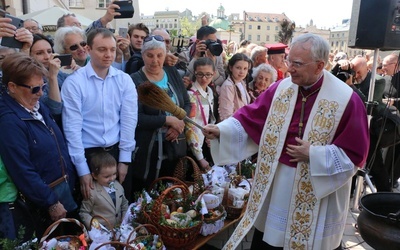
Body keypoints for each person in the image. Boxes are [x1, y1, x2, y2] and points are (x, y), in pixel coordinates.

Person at [202, 33, 369, 249]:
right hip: (278, 181)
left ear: (319, 66)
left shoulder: (347, 99)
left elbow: (356, 155)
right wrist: (221, 130)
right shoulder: (282, 88)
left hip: (316, 188)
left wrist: (314, 154)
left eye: (298, 64)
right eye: (290, 61)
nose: (289, 69)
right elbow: (252, 117)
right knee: (271, 240)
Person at [0, 53, 77, 240]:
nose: (41, 93)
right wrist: (50, 202)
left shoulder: (34, 104)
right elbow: (22, 169)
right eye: (35, 89)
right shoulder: (9, 121)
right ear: (12, 87)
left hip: (62, 191)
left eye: (42, 87)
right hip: (43, 204)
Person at [61, 28, 138, 201]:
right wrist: (82, 170)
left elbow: (128, 120)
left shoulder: (124, 80)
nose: (108, 54)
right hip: (89, 155)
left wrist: (124, 159)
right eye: (102, 49)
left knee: (122, 209)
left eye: (112, 49)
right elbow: (72, 128)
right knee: (93, 214)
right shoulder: (74, 83)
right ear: (88, 49)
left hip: (117, 151)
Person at [130, 35, 191, 198]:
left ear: (165, 55)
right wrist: (167, 120)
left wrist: (178, 124)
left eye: (159, 55)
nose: (155, 60)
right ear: (142, 55)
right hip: (149, 152)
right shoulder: (134, 80)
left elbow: (186, 103)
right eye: (149, 55)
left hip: (175, 147)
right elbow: (135, 118)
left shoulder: (172, 73)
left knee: (173, 193)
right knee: (150, 197)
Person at [80, 151, 129, 229]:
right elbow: (84, 213)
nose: (112, 178)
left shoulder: (118, 186)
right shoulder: (92, 192)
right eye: (107, 177)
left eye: (114, 174)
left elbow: (124, 204)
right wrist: (96, 226)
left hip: (119, 229)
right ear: (95, 176)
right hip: (101, 233)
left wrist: (124, 218)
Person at [186, 57, 216, 170]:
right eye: (200, 74)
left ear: (214, 74)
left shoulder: (210, 91)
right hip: (194, 147)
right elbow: (190, 127)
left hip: (206, 142)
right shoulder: (191, 94)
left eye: (208, 74)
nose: (204, 78)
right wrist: (200, 157)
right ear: (195, 73)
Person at [218, 53, 252, 121]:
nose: (242, 72)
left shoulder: (242, 83)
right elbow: (226, 113)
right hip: (233, 125)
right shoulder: (228, 86)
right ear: (231, 68)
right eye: (238, 68)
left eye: (245, 69)